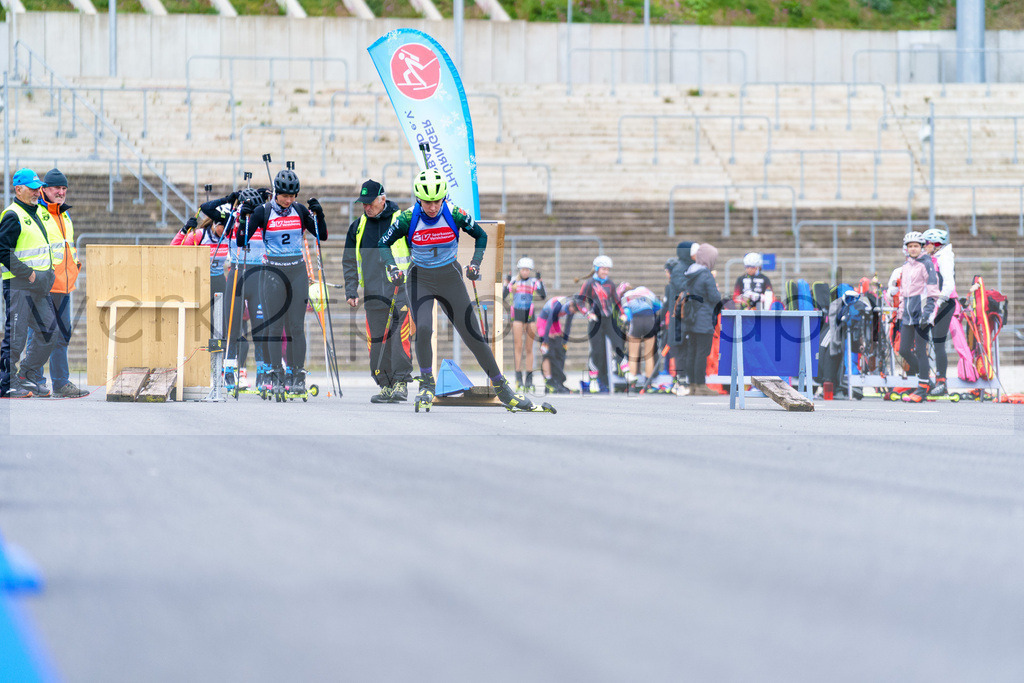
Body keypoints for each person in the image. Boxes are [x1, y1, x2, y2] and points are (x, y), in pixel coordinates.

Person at [377, 168, 538, 411]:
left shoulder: (454, 213)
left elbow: (481, 236)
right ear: (418, 199)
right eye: (427, 202)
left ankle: (502, 388)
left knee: (473, 334)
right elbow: (383, 243)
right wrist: (392, 268)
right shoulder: (407, 218)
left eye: (437, 201)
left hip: (449, 278)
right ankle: (427, 383)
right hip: (419, 278)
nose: (433, 207)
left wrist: (475, 263)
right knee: (423, 328)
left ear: (444, 197)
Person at [238, 169, 327, 398]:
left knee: (296, 327)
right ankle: (276, 374)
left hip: (297, 272)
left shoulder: (299, 210)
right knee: (275, 327)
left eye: (293, 196)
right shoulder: (263, 211)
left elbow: (322, 235)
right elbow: (241, 240)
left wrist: (319, 215)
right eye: (285, 196)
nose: (289, 200)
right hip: (273, 273)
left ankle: (297, 374)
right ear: (276, 193)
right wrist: (244, 218)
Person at [343, 179, 413, 404]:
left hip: (400, 290)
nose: (366, 207)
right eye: (363, 203)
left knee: (399, 339)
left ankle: (400, 382)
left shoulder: (402, 221)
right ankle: (385, 385)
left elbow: (416, 252)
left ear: (383, 199)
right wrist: (351, 290)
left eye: (370, 203)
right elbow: (349, 261)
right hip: (373, 294)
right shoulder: (357, 227)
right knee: (376, 343)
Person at [22, 169, 88, 397]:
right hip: (44, 285)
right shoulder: (37, 212)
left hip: (64, 285)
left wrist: (75, 267)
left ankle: (61, 383)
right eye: (56, 188)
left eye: (64, 188)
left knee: (62, 336)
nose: (61, 192)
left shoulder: (64, 215)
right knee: (40, 335)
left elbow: (67, 247)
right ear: (44, 189)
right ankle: (34, 381)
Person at [0, 169, 62, 398]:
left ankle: (26, 375)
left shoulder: (35, 212)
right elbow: (2, 251)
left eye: (38, 188)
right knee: (15, 338)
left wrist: (48, 274)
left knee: (50, 331)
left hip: (38, 287)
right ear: (18, 189)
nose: (37, 192)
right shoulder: (13, 215)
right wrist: (29, 274)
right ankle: (5, 383)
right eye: (32, 188)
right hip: (19, 285)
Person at [223, 187, 269, 391]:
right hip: (237, 274)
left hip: (257, 276)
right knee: (232, 328)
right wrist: (232, 202)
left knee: (260, 328)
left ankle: (262, 371)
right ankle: (229, 370)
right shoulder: (233, 219)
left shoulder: (263, 222)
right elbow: (211, 212)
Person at [897, 231, 940, 403]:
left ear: (921, 247)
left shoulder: (927, 264)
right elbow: (903, 292)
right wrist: (900, 312)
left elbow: (933, 290)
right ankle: (926, 380)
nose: (913, 249)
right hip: (908, 314)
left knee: (921, 351)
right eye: (910, 246)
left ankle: (922, 388)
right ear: (906, 248)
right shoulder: (906, 266)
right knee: (903, 350)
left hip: (922, 313)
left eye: (916, 246)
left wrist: (927, 313)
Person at [679, 243, 721, 396]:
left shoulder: (690, 272)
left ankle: (692, 385)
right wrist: (716, 288)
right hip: (703, 319)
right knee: (702, 353)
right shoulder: (706, 275)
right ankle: (701, 385)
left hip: (690, 318)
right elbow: (715, 297)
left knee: (692, 352)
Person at [577, 255, 623, 393]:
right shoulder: (589, 283)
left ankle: (617, 371)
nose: (606, 272)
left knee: (619, 343)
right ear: (597, 269)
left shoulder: (610, 283)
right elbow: (579, 301)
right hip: (595, 321)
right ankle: (594, 380)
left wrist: (623, 313)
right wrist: (587, 313)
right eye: (603, 269)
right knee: (597, 352)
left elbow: (616, 301)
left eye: (608, 269)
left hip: (608, 319)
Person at [922, 227, 956, 396]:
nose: (923, 246)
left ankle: (941, 382)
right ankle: (927, 379)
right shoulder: (933, 257)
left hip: (944, 302)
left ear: (935, 244)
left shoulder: (945, 257)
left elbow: (948, 284)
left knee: (938, 341)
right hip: (934, 302)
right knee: (927, 342)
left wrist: (938, 303)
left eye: (926, 243)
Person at [504, 256, 546, 392]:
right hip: (517, 314)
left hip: (530, 315)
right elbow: (503, 294)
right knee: (518, 347)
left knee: (529, 348)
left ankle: (529, 380)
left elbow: (543, 295)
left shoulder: (533, 281)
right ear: (519, 270)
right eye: (523, 270)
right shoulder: (514, 281)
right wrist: (507, 283)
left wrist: (540, 281)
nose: (525, 272)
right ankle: (518, 379)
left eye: (528, 270)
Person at [620, 284, 662, 392]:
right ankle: (648, 384)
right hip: (649, 319)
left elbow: (626, 311)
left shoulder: (626, 295)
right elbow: (659, 305)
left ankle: (632, 385)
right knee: (649, 355)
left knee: (633, 355)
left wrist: (629, 320)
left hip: (636, 320)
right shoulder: (645, 290)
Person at [667, 241, 696, 388]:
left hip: (686, 315)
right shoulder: (680, 269)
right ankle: (681, 378)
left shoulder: (689, 267)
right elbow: (682, 287)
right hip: (679, 315)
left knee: (686, 347)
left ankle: (684, 378)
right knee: (679, 348)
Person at [536, 295, 580, 394]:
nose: (574, 312)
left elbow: (568, 325)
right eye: (574, 310)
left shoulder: (571, 308)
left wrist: (564, 342)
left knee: (560, 352)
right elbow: (549, 321)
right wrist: (545, 341)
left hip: (555, 322)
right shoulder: (559, 304)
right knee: (548, 354)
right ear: (571, 304)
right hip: (545, 322)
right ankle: (549, 381)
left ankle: (558, 381)